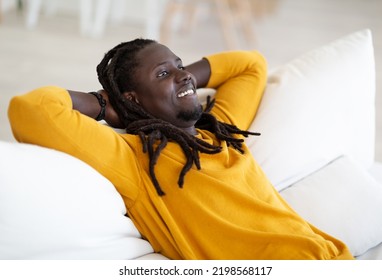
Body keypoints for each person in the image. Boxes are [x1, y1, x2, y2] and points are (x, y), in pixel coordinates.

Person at [8, 38, 354, 260]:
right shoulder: (135, 159)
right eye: (162, 73)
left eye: (180, 65)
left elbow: (250, 64)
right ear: (132, 99)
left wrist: (179, 79)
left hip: (333, 258)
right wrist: (105, 104)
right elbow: (32, 108)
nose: (184, 75)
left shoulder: (224, 130)